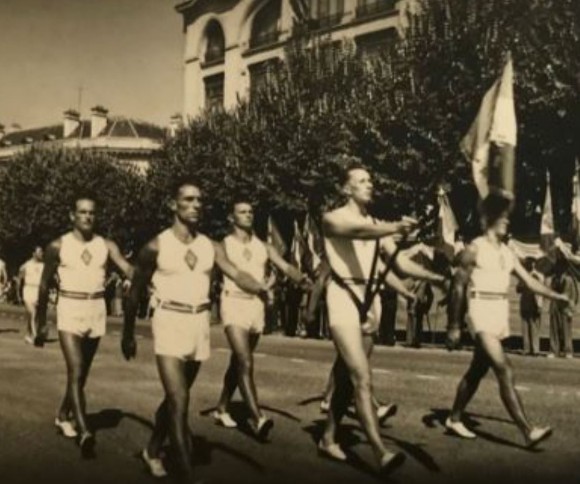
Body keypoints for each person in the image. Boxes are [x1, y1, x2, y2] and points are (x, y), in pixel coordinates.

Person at [121, 180, 270, 482]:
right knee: (179, 399)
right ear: (172, 205)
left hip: (198, 324)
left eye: (199, 200)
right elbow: (134, 294)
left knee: (177, 397)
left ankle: (152, 450)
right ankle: (185, 473)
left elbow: (237, 273)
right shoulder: (155, 246)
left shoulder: (210, 246)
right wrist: (127, 334)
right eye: (188, 200)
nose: (196, 205)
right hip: (168, 321)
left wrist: (260, 287)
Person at [319, 162, 445, 476]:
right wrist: (395, 227)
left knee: (347, 379)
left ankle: (329, 437)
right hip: (344, 297)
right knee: (362, 377)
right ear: (346, 188)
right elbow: (358, 231)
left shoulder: (376, 222)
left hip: (370, 301)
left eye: (371, 179)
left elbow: (399, 263)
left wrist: (435, 277)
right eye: (361, 181)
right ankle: (381, 452)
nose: (369, 184)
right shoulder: (332, 218)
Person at [445, 195, 569, 447]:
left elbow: (529, 281)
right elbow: (458, 287)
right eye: (500, 217)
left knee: (477, 371)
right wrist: (454, 325)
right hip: (480, 310)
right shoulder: (474, 248)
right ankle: (528, 430)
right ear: (488, 220)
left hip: (499, 311)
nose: (505, 221)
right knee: (505, 368)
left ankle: (454, 418)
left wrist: (555, 295)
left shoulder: (507, 252)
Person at [35, 194, 133, 457]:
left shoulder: (106, 245)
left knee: (81, 374)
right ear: (72, 216)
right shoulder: (58, 245)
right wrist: (40, 323)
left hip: (96, 310)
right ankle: (85, 430)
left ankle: (62, 414)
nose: (87, 217)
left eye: (91, 212)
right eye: (82, 212)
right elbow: (44, 286)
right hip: (69, 309)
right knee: (76, 370)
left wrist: (148, 275)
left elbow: (127, 267)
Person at [212, 200, 309, 438]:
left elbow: (286, 267)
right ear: (231, 218)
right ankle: (258, 418)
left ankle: (222, 407)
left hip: (257, 306)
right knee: (245, 361)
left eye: (250, 212)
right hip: (233, 302)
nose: (247, 215)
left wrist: (303, 280)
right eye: (241, 212)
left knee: (239, 361)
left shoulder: (264, 246)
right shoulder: (223, 245)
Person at [548, 254, 575, 359]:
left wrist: (571, 310)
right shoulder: (554, 279)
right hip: (555, 306)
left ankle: (568, 351)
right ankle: (554, 350)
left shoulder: (568, 279)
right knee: (554, 329)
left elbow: (571, 295)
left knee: (566, 330)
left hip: (565, 307)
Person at [16, 246, 44, 344]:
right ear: (33, 253)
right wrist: (18, 294)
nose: (41, 254)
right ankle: (36, 336)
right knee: (32, 313)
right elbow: (19, 280)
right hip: (28, 290)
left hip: (38, 291)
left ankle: (29, 334)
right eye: (39, 252)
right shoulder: (25, 265)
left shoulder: (43, 266)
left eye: (42, 252)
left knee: (34, 316)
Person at [516, 258, 543, 356]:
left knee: (533, 327)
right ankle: (527, 348)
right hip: (525, 303)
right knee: (525, 327)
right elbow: (518, 289)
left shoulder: (535, 276)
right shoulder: (524, 276)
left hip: (533, 303)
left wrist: (539, 305)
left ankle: (535, 349)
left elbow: (538, 292)